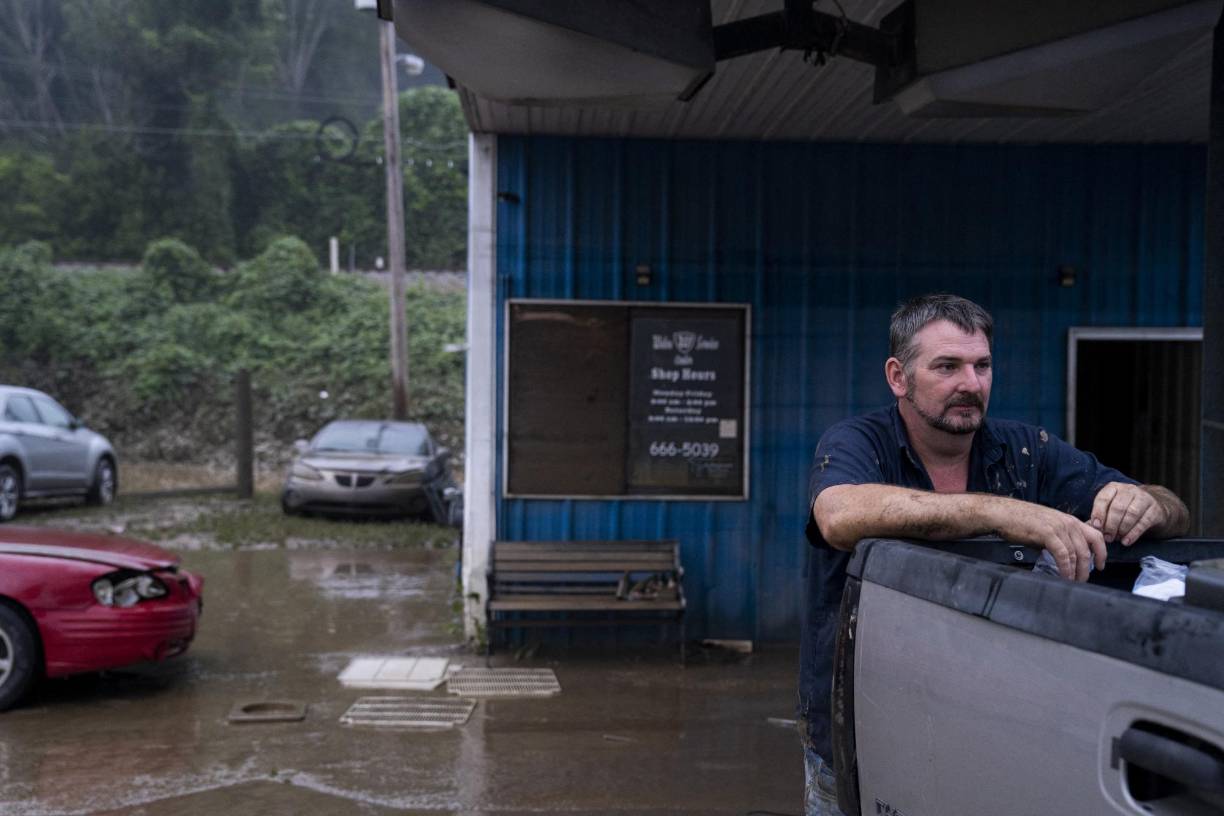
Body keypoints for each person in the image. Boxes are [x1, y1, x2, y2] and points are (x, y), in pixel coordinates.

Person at [798, 293, 1189, 816]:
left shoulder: (1027, 450)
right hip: (867, 732)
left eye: (982, 365)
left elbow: (1172, 510)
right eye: (947, 366)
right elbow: (839, 515)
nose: (971, 384)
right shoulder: (859, 442)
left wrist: (1148, 503)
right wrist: (1004, 513)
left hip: (993, 732)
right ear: (898, 377)